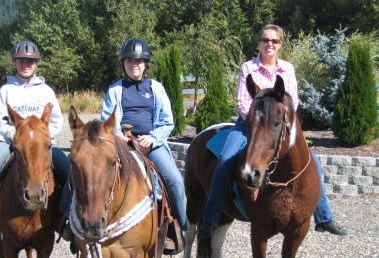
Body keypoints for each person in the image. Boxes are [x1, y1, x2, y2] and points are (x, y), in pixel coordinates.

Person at [197, 24, 348, 240]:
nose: (270, 44)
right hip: (251, 124)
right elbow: (242, 102)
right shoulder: (248, 67)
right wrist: (258, 120)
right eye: (266, 40)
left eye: (274, 41)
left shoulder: (287, 69)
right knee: (227, 158)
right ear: (259, 43)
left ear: (280, 45)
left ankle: (324, 218)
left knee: (311, 160)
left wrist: (280, 120)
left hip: (280, 125)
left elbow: (293, 101)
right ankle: (210, 217)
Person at [0, 40, 70, 232]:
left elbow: (55, 121)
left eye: (30, 61)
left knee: (70, 171)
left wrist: (41, 138)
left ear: (36, 63)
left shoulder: (46, 91)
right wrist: (18, 136)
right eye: (21, 61)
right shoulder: (6, 90)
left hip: (42, 145)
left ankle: (68, 214)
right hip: (11, 143)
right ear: (14, 63)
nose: (26, 65)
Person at [100, 38, 187, 232]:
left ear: (145, 64)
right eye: (129, 61)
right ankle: (94, 221)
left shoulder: (156, 88)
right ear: (123, 63)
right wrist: (117, 135)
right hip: (123, 143)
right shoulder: (115, 90)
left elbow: (167, 121)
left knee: (174, 179)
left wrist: (154, 138)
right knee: (96, 173)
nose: (134, 65)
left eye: (138, 61)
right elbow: (107, 121)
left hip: (151, 143)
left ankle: (179, 225)